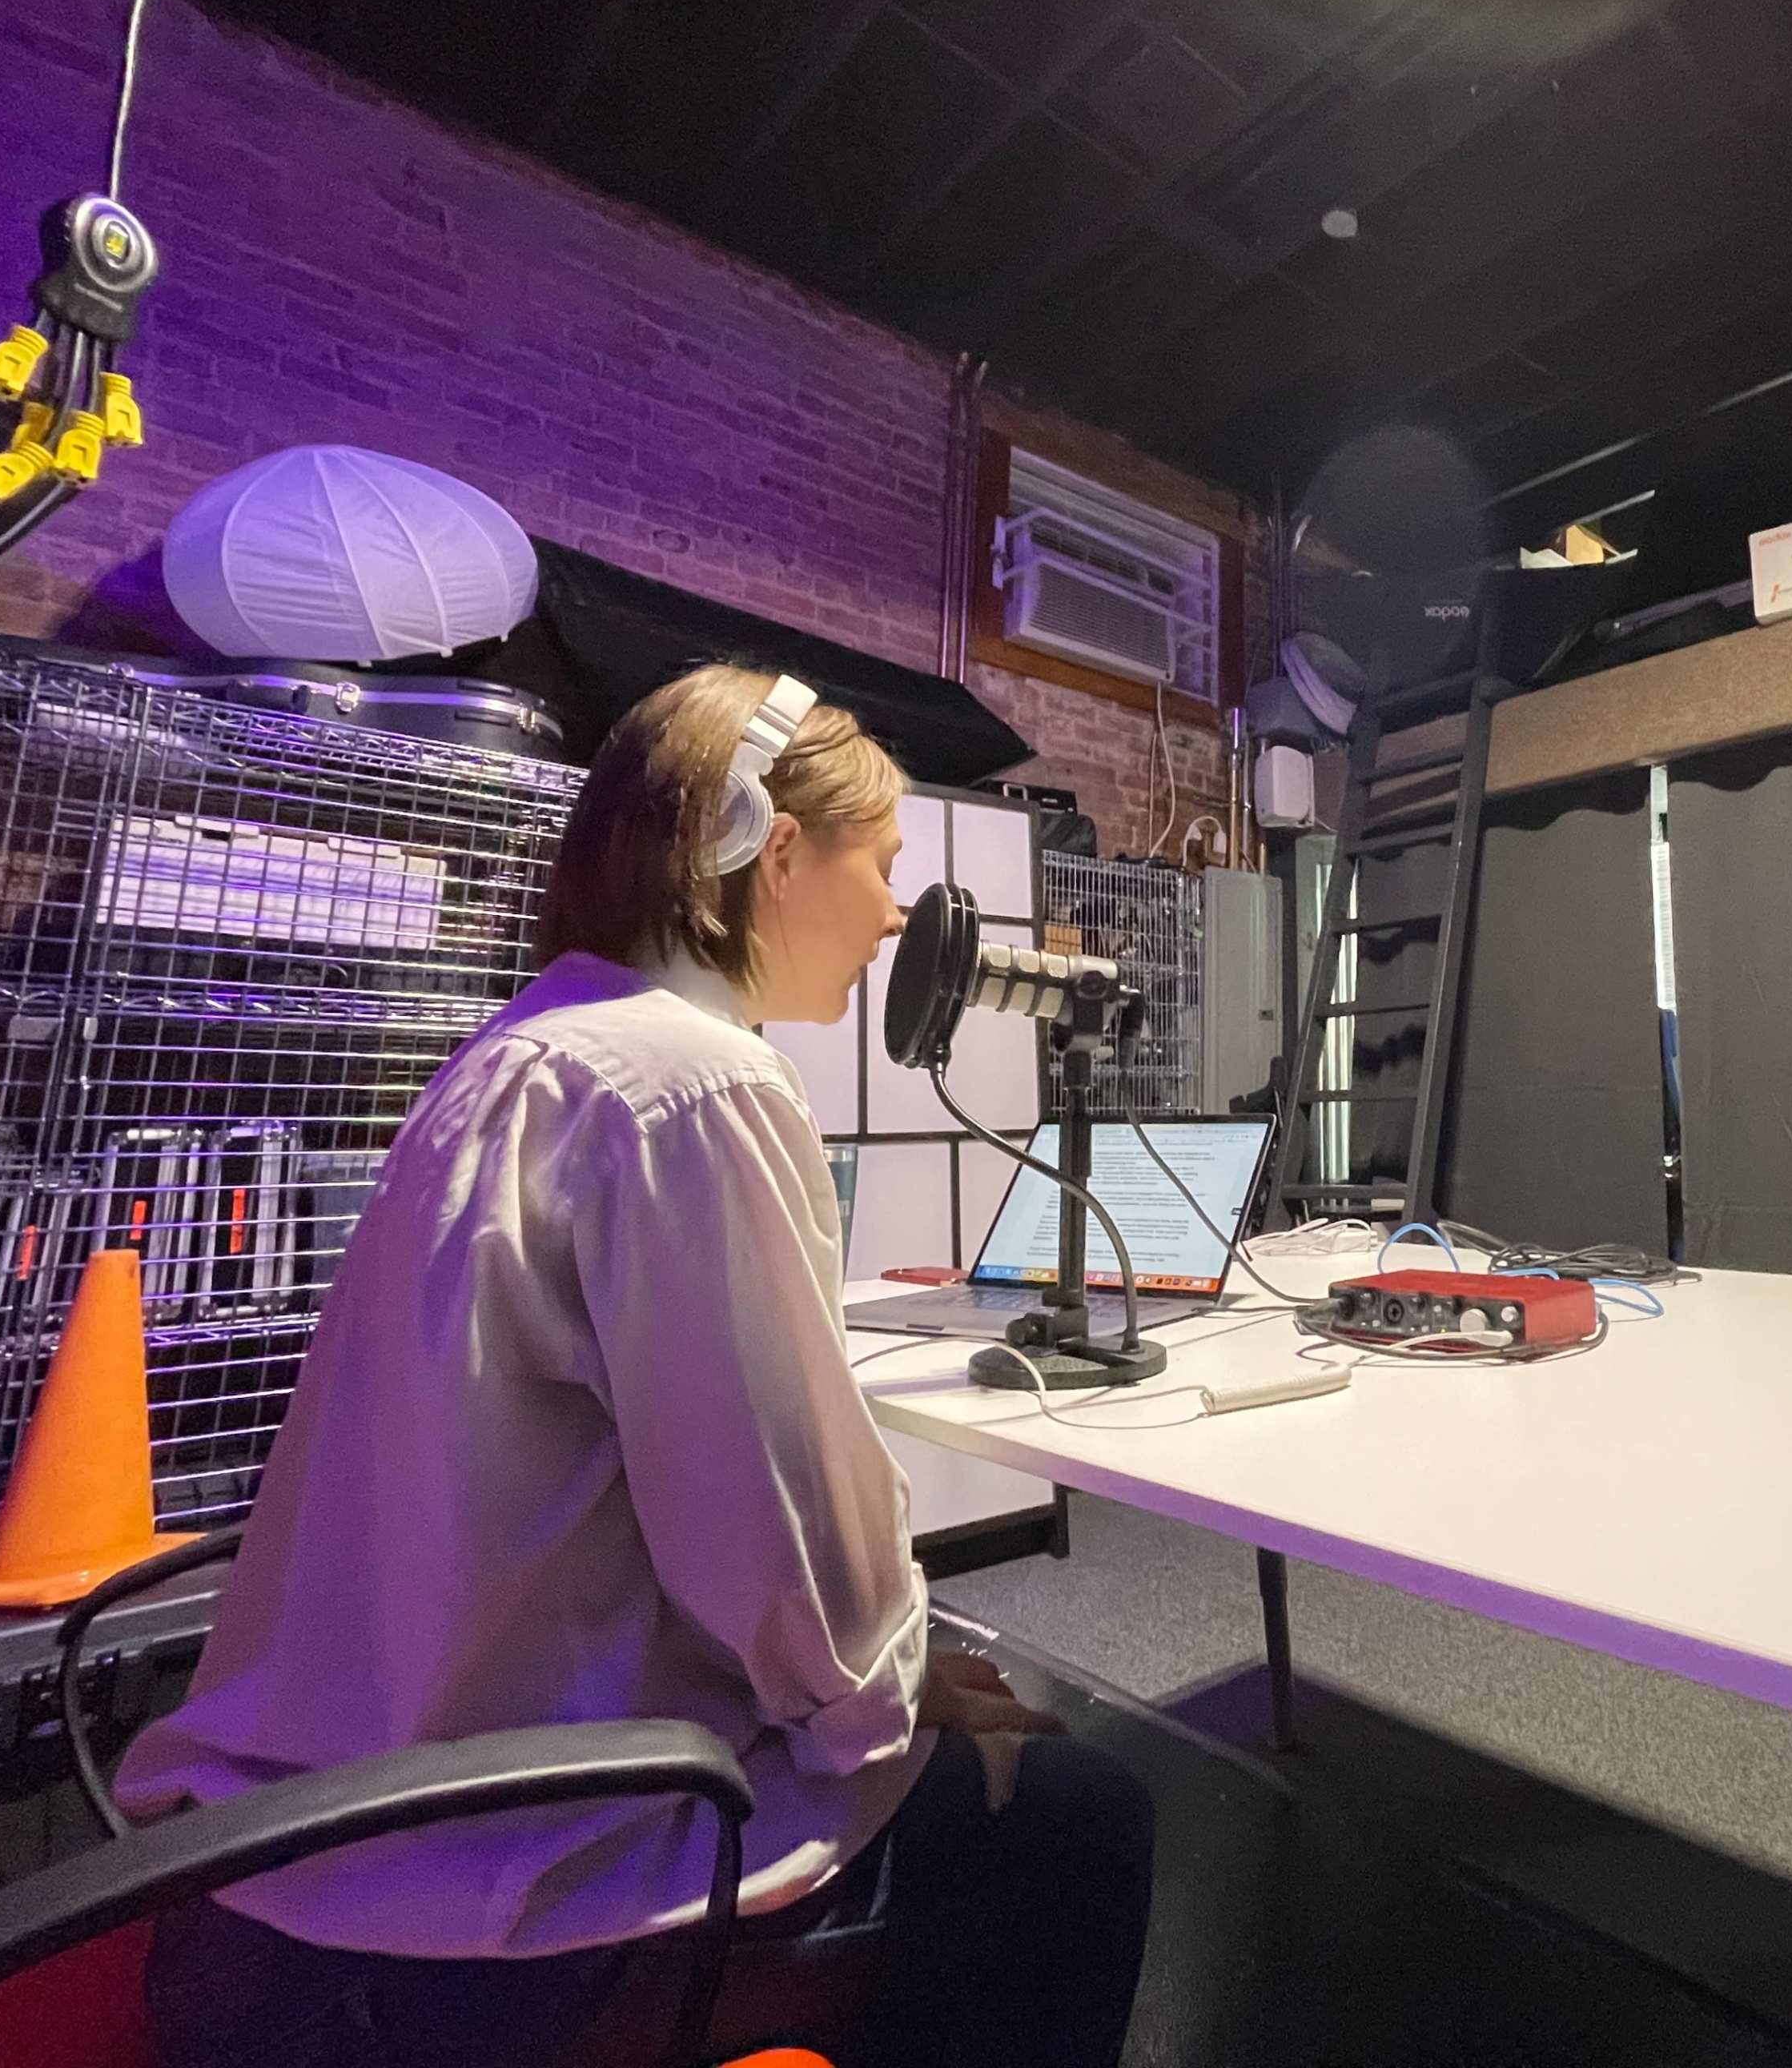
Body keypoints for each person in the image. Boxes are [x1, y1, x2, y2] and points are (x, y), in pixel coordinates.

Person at [118, 665, 1155, 2068]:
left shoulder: (518, 1055)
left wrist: (889, 1682)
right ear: (777, 853)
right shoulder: (693, 1088)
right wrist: (903, 1702)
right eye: (886, 863)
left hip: (283, 1872)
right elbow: (792, 1564)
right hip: (466, 1926)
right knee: (1082, 1818)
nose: (899, 913)